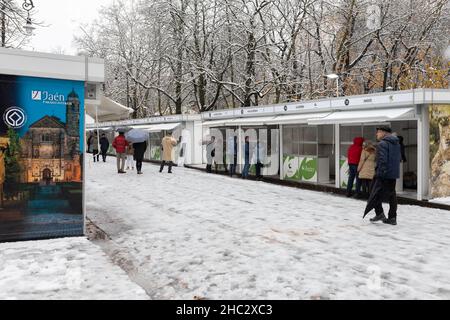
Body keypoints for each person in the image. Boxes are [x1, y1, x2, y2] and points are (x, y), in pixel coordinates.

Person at [365, 126, 401, 225]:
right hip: (393, 173)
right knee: (392, 195)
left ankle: (379, 213)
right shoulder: (396, 143)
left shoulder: (382, 144)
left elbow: (383, 160)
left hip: (383, 173)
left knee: (373, 191)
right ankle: (392, 217)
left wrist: (380, 174)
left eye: (378, 132)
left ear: (383, 132)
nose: (377, 134)